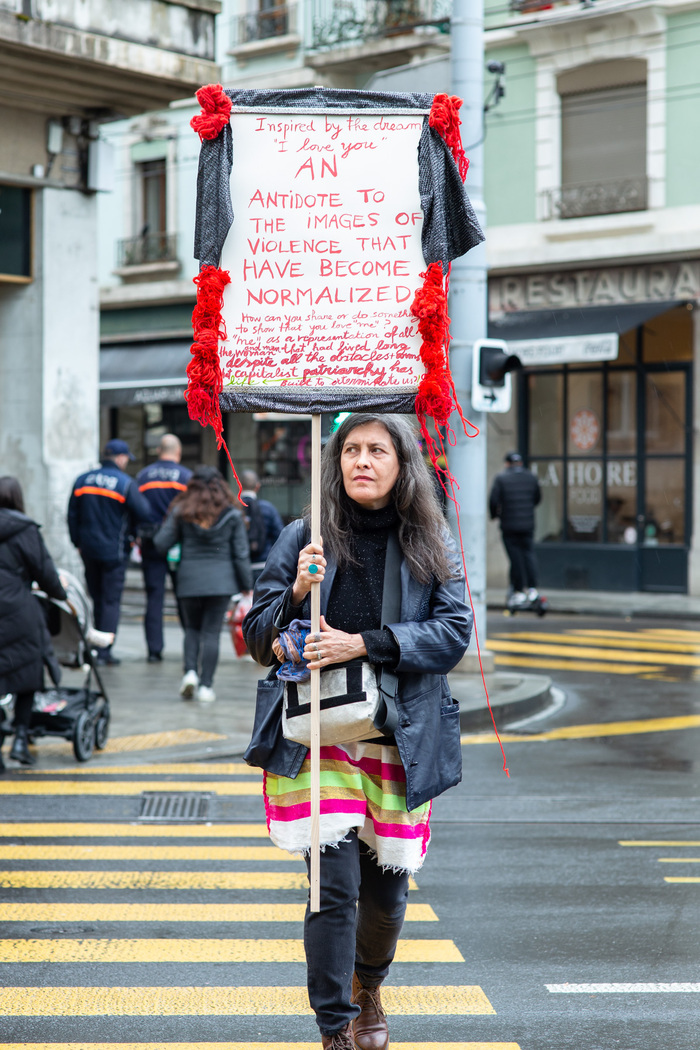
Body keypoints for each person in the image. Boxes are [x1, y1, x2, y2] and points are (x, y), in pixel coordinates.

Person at [242, 414, 472, 1050]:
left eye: (376, 449)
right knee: (332, 887)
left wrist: (362, 644)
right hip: (320, 736)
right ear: (334, 460)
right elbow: (257, 639)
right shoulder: (303, 536)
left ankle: (369, 982)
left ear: (402, 464)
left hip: (399, 735)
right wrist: (294, 591)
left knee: (385, 897)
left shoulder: (432, 538)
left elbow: (453, 633)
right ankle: (336, 1026)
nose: (361, 460)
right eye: (350, 449)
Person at [154, 466, 252, 703]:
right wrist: (247, 585)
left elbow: (160, 543)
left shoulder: (181, 511)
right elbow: (240, 554)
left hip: (189, 581)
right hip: (221, 583)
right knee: (211, 633)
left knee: (191, 630)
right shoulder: (232, 513)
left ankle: (190, 673)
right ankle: (206, 686)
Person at [0, 476, 67, 769]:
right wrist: (60, 594)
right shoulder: (26, 530)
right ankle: (20, 738)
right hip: (20, 612)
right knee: (28, 676)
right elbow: (46, 573)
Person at [67, 439, 153, 665]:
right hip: (114, 552)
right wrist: (132, 535)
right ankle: (104, 651)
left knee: (95, 598)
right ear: (120, 458)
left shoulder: (82, 480)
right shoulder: (125, 483)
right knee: (111, 601)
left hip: (88, 550)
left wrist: (77, 542)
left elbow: (72, 515)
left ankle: (92, 647)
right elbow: (144, 512)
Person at [136, 434, 192, 662]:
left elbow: (135, 507)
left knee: (154, 597)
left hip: (151, 544)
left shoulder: (143, 476)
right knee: (184, 596)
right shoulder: (186, 476)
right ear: (177, 453)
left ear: (159, 451)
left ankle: (154, 650)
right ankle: (191, 642)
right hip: (179, 544)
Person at [489, 451, 542, 605]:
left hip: (509, 526)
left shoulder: (501, 478)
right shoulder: (531, 477)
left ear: (507, 463)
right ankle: (532, 589)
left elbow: (493, 500)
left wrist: (495, 515)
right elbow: (537, 498)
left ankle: (519, 591)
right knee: (529, 555)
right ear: (520, 463)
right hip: (527, 525)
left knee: (515, 559)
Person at [239, 468, 284, 568]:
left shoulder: (233, 508)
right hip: (263, 565)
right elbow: (280, 537)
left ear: (240, 486)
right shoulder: (268, 508)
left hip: (239, 567)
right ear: (257, 486)